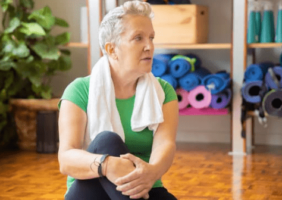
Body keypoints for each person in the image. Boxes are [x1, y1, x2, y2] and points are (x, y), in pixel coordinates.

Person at [58, 1, 179, 199]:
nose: (149, 46)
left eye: (151, 38)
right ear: (112, 49)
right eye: (138, 38)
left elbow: (165, 144)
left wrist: (152, 172)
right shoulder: (79, 91)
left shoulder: (164, 92)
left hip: (146, 187)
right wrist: (108, 164)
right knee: (107, 140)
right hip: (90, 189)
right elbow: (66, 159)